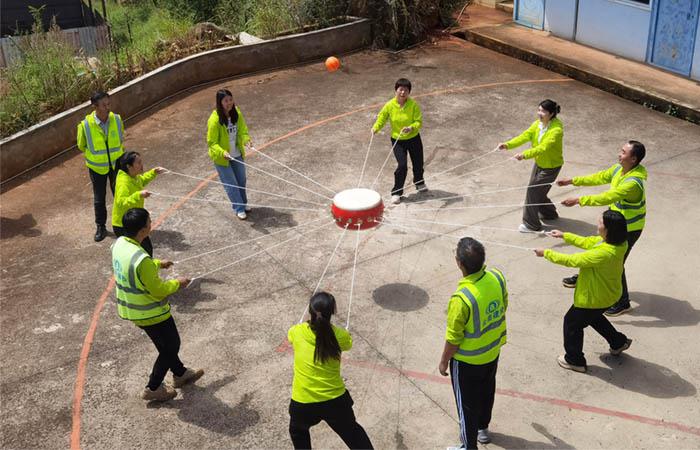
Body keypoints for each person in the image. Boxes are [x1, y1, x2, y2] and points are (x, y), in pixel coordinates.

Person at [111, 208, 203, 401]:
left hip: (132, 309)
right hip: (150, 311)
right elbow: (158, 290)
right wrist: (177, 283)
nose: (151, 224)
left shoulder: (120, 243)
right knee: (171, 346)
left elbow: (134, 265)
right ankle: (153, 387)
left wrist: (158, 263)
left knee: (164, 344)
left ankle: (179, 373)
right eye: (149, 222)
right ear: (143, 230)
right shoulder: (142, 259)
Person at [534, 210, 633, 373]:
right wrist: (564, 235)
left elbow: (573, 260)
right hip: (608, 294)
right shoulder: (619, 243)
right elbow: (588, 241)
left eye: (600, 223)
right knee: (594, 317)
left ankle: (575, 360)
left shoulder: (604, 253)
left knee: (572, 323)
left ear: (609, 229)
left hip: (595, 298)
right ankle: (618, 342)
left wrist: (546, 253)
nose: (597, 224)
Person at [556, 141, 647, 316]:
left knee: (616, 262)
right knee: (597, 247)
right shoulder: (619, 169)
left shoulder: (633, 183)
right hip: (615, 222)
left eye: (623, 152)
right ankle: (585, 275)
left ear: (633, 159)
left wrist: (579, 200)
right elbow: (599, 177)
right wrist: (572, 181)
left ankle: (623, 302)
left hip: (629, 228)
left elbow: (607, 197)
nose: (619, 154)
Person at [439, 237, 508, 450]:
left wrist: (443, 361)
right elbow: (504, 304)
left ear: (459, 263)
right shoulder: (497, 277)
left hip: (467, 363)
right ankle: (482, 429)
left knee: (466, 407)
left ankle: (468, 446)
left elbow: (453, 339)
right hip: (492, 352)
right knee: (487, 392)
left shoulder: (461, 299)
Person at [287, 292, 373, 449]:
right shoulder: (340, 336)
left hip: (303, 402)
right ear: (332, 312)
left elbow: (290, 336)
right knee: (354, 434)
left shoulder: (297, 331)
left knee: (298, 432)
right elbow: (348, 343)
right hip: (335, 401)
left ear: (310, 311)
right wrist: (345, 334)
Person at [498, 99, 564, 233]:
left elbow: (543, 147)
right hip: (540, 163)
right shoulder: (537, 124)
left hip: (551, 167)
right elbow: (524, 136)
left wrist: (524, 155)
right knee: (538, 191)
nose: (539, 113)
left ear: (551, 114)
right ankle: (549, 213)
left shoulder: (556, 130)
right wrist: (508, 145)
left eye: (543, 111)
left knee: (533, 191)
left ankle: (531, 225)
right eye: (538, 110)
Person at [77, 91, 125, 242]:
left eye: (108, 103)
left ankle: (122, 224)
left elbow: (121, 138)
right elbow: (81, 145)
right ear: (95, 106)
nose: (107, 107)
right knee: (99, 198)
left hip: (116, 164)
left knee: (120, 195)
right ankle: (101, 227)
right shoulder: (85, 125)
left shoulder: (117, 119)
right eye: (104, 105)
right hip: (97, 168)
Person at [372, 78, 426, 205]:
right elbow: (382, 117)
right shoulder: (389, 105)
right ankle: (396, 192)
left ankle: (419, 182)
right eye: (400, 89)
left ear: (409, 92)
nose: (403, 92)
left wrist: (411, 127)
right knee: (402, 166)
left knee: (418, 163)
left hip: (414, 138)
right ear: (396, 90)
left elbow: (418, 121)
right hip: (398, 140)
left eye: (406, 90)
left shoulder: (413, 105)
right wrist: (375, 128)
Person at [206, 89, 253, 220]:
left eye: (230, 99)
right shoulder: (214, 120)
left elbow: (242, 130)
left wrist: (246, 140)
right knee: (231, 183)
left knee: (241, 180)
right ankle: (238, 208)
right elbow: (212, 142)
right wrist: (222, 152)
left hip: (236, 153)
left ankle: (243, 204)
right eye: (226, 101)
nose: (229, 103)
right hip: (222, 158)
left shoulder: (236, 112)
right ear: (220, 102)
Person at [112, 151, 166, 257]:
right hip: (124, 225)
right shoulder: (123, 183)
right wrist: (139, 195)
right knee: (139, 253)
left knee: (147, 249)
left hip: (134, 220)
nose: (142, 165)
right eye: (138, 163)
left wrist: (154, 172)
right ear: (129, 166)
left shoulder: (133, 176)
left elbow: (142, 180)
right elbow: (121, 202)